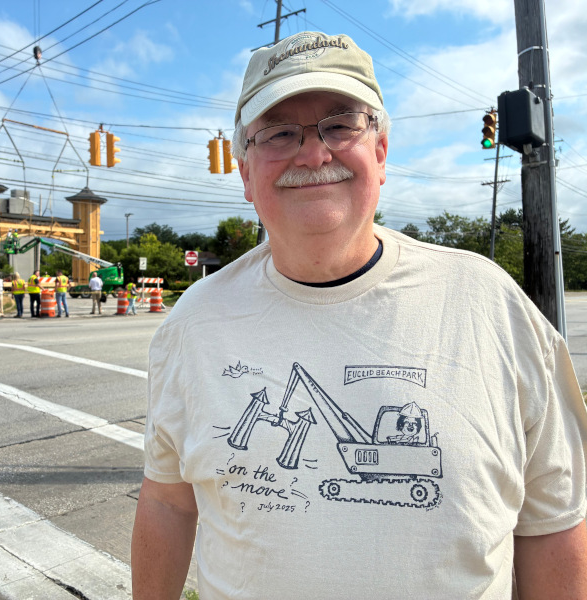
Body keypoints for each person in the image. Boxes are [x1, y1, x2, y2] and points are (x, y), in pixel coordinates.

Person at [131, 31, 587, 600]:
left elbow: (552, 523)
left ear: (380, 151)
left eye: (340, 124)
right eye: (278, 132)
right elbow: (167, 502)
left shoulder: (491, 306)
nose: (313, 153)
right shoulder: (191, 326)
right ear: (245, 173)